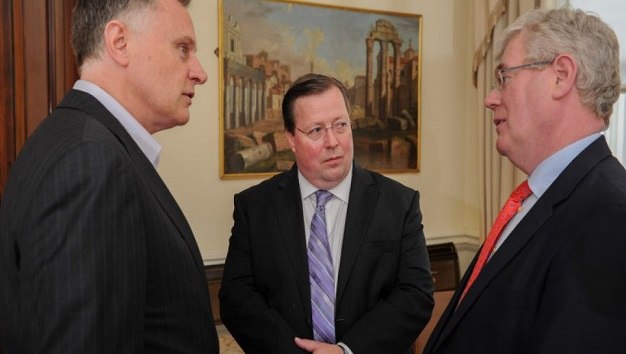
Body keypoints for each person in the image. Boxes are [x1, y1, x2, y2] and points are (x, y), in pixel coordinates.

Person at [424, 6, 626, 354]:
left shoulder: (612, 222)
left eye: (504, 77)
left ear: (561, 76)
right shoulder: (540, 197)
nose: (490, 98)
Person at [0, 0, 218, 352]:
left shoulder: (79, 141)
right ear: (119, 42)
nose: (199, 72)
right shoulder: (90, 160)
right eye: (183, 49)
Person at [219, 73, 434, 353]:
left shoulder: (399, 203)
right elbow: (237, 299)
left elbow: (415, 295)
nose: (333, 141)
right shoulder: (255, 207)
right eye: (317, 130)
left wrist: (347, 351)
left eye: (341, 125)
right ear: (291, 139)